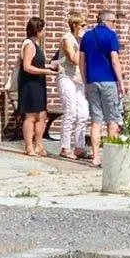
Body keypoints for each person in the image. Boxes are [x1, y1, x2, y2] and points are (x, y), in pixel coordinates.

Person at [80, 9, 123, 164]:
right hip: (109, 80)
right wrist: (120, 82)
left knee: (96, 121)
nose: (114, 25)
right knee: (112, 119)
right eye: (113, 22)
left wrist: (85, 81)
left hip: (92, 80)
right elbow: (114, 59)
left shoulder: (86, 36)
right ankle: (112, 158)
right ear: (106, 21)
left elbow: (81, 61)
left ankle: (96, 156)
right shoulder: (111, 35)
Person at [17, 17, 57, 157]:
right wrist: (46, 71)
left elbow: (37, 64)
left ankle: (39, 144)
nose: (44, 32)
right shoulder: (28, 44)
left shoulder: (36, 45)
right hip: (29, 85)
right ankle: (29, 146)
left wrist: (50, 66)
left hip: (38, 84)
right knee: (30, 116)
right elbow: (27, 67)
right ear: (37, 30)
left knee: (41, 115)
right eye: (43, 29)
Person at [56, 11, 90, 161]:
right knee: (70, 112)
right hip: (67, 78)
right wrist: (82, 44)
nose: (84, 27)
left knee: (83, 113)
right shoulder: (67, 39)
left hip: (79, 79)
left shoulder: (80, 40)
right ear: (75, 25)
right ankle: (65, 147)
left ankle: (79, 147)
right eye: (82, 25)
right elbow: (74, 58)